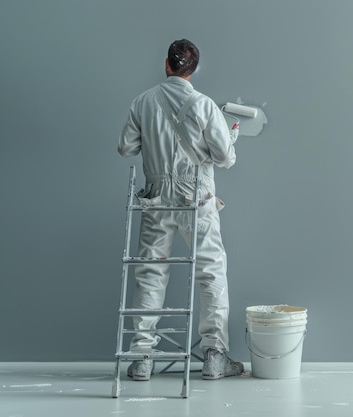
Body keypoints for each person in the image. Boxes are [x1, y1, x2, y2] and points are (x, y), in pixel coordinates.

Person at [118, 39, 242, 381]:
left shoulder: (142, 102)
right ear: (194, 68)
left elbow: (125, 147)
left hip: (157, 198)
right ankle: (215, 355)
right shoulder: (203, 105)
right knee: (211, 272)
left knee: (150, 274)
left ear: (167, 64)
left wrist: (156, 140)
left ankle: (142, 357)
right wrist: (230, 138)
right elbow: (226, 159)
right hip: (196, 199)